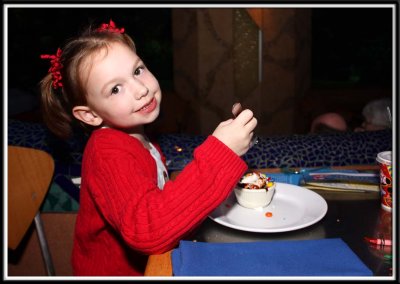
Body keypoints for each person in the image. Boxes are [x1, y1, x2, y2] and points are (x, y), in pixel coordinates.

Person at [39, 20, 257, 276]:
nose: (141, 89)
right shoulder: (107, 152)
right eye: (116, 89)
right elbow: (148, 231)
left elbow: (158, 197)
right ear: (89, 115)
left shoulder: (141, 137)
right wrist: (221, 153)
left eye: (138, 70)